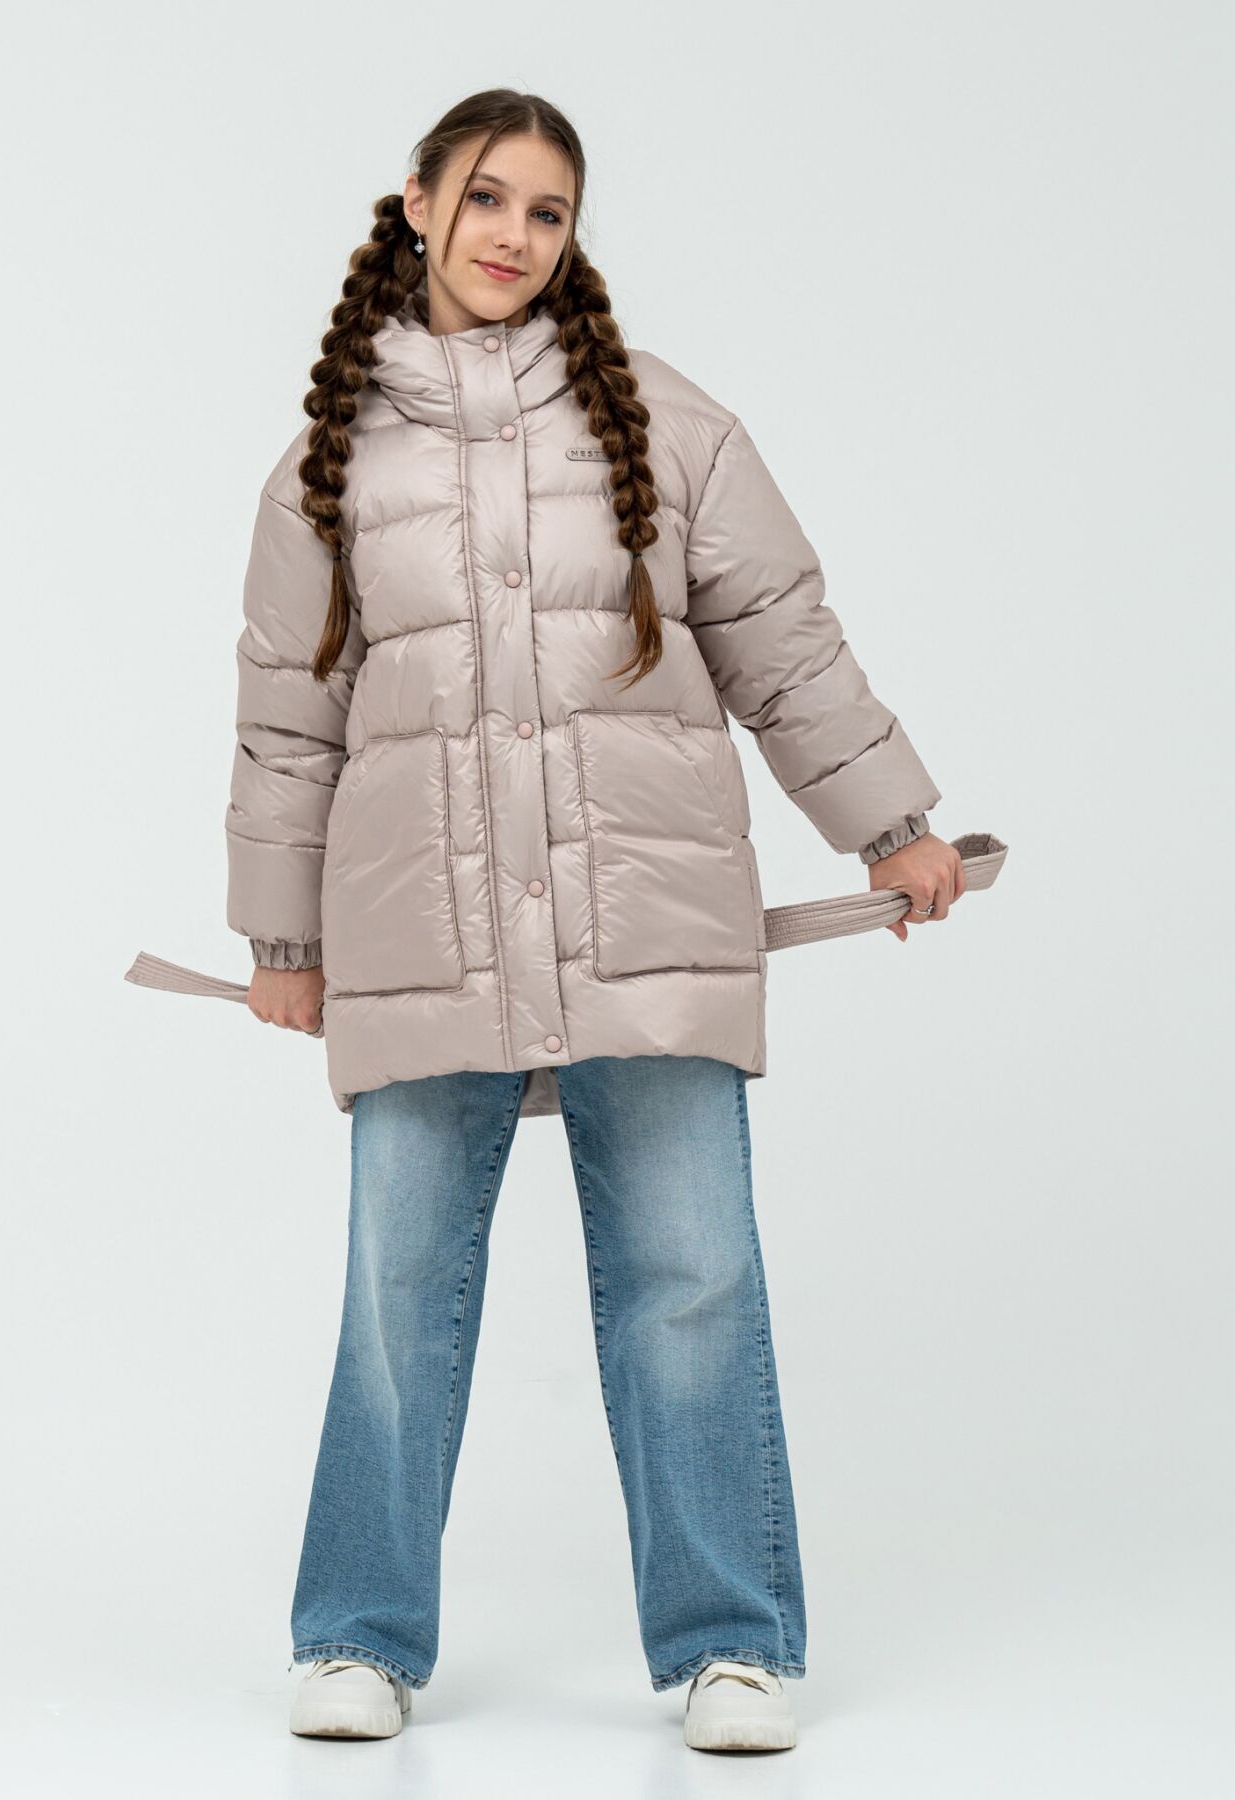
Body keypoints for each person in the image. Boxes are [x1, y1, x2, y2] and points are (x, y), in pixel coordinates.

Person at [225, 88, 965, 1751]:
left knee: (691, 1273)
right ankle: (357, 1635)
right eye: (487, 196)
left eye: (548, 210)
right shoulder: (329, 462)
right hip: (422, 929)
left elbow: (783, 641)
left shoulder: (670, 427)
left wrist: (894, 822)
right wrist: (283, 943)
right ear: (416, 202)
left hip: (653, 914)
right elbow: (288, 718)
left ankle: (732, 1644)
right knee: (399, 1284)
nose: (514, 233)